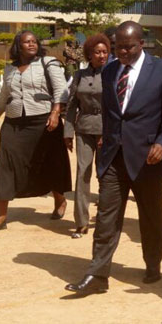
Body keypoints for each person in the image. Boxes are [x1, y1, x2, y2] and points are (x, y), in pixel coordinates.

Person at [65, 21, 162, 293]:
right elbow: (109, 110)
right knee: (106, 216)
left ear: (142, 44)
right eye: (119, 47)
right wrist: (105, 136)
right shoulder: (109, 71)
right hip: (113, 157)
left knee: (151, 216)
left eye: (129, 47)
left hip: (148, 158)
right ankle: (97, 275)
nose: (123, 53)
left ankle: (153, 263)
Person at [0, 30, 71, 234]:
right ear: (18, 46)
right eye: (26, 42)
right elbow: (4, 95)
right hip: (14, 123)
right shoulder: (10, 69)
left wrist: (56, 113)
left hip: (44, 121)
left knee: (50, 162)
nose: (31, 44)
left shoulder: (48, 63)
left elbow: (61, 91)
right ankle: (0, 215)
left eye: (34, 41)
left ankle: (60, 200)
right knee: (6, 164)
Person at [63, 34, 110, 239]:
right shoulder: (80, 75)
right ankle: (81, 222)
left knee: (105, 175)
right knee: (83, 173)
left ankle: (104, 221)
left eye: (105, 52)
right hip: (84, 130)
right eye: (97, 52)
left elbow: (117, 107)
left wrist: (108, 132)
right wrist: (68, 132)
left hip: (106, 131)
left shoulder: (113, 73)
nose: (102, 55)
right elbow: (72, 105)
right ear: (89, 55)